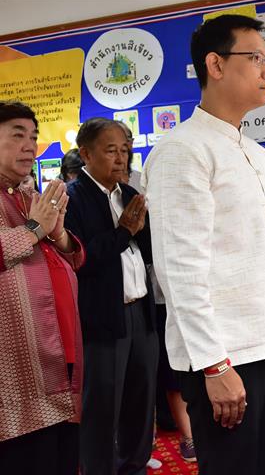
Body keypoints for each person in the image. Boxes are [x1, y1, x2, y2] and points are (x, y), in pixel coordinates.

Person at [142, 14, 265, 475]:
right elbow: (180, 271)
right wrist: (214, 366)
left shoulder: (252, 151)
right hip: (225, 354)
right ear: (215, 64)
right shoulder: (183, 150)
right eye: (255, 58)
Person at [65, 117, 158, 474]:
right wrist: (122, 232)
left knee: (141, 399)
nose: (121, 159)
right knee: (102, 407)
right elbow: (80, 259)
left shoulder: (130, 195)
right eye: (111, 151)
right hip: (102, 318)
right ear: (86, 154)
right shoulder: (72, 199)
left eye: (125, 150)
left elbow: (146, 253)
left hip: (140, 314)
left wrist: (148, 227)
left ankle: (133, 466)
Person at [0, 101, 85, 474]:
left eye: (33, 138)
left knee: (61, 454)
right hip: (17, 372)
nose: (29, 146)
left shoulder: (28, 195)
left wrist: (58, 233)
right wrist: (35, 230)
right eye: (17, 136)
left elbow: (69, 257)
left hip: (58, 350)